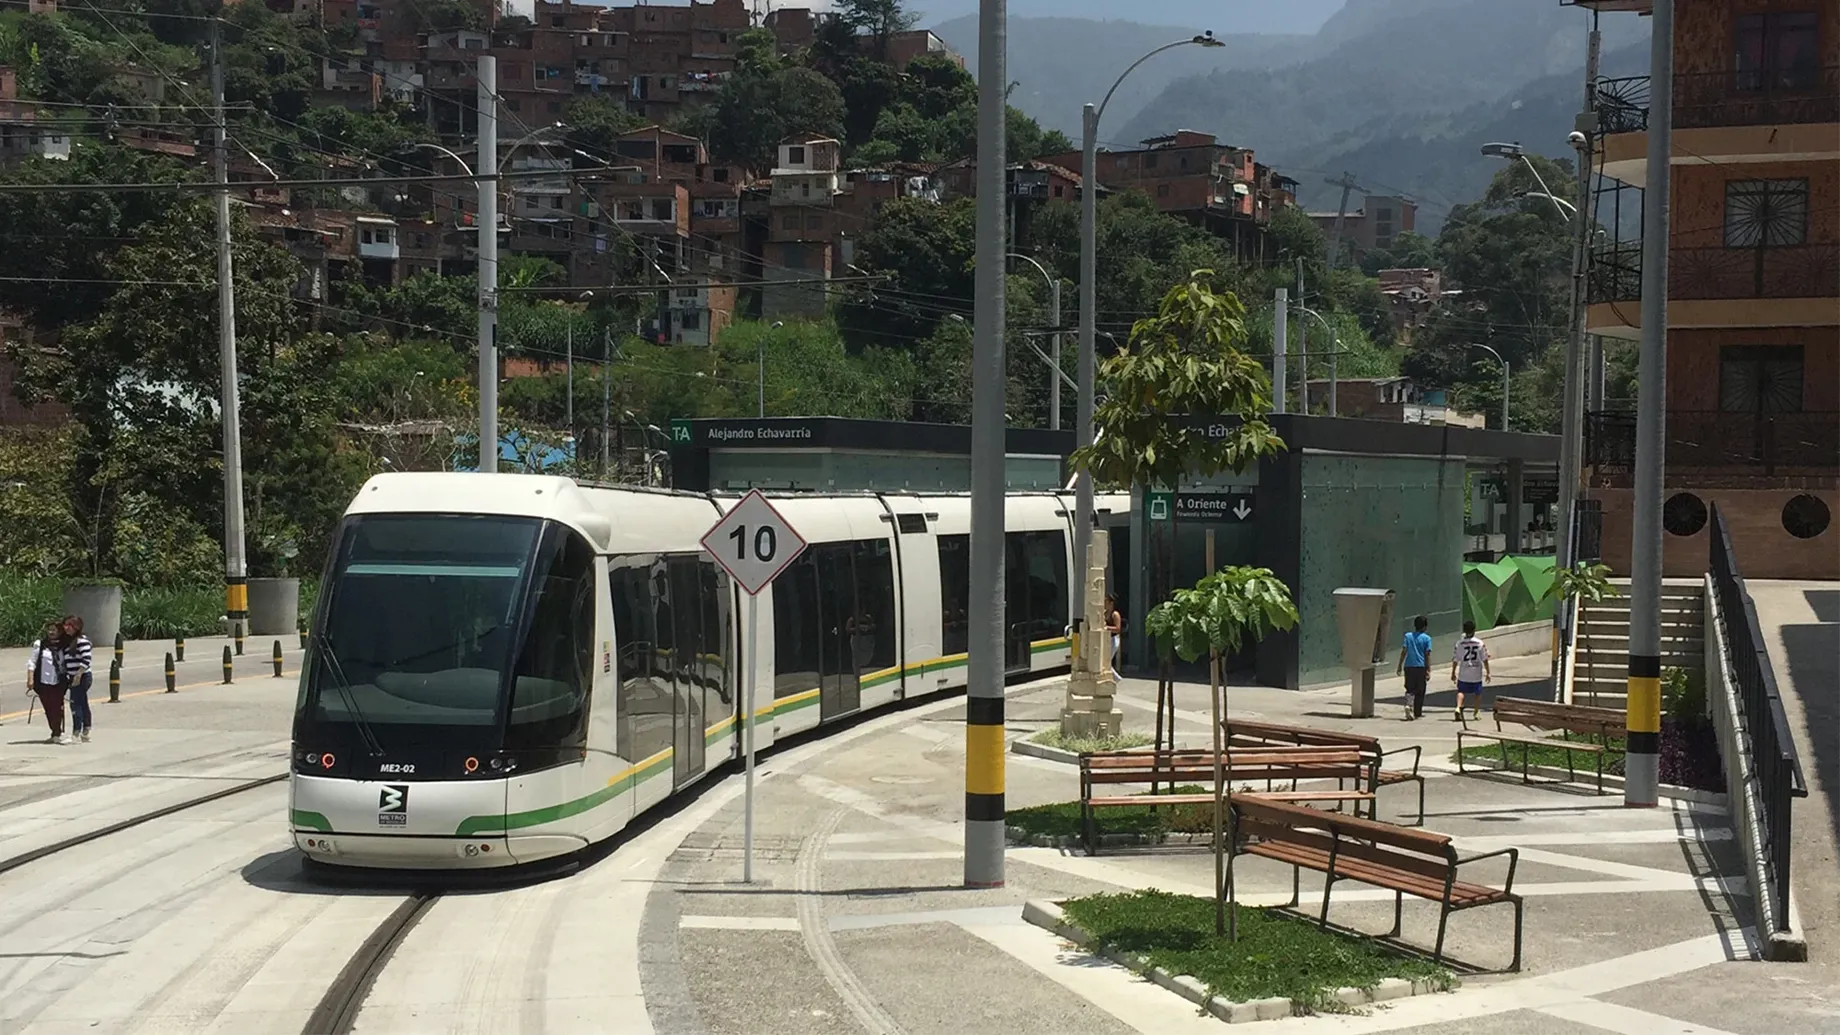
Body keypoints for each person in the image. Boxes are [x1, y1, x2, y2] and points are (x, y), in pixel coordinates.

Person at [26, 621, 67, 745]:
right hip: (43, 682)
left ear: (60, 631)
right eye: (49, 629)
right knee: (48, 708)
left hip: (59, 682)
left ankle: (57, 733)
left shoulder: (65, 645)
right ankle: (54, 730)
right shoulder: (40, 645)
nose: (51, 632)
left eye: (54, 630)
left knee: (57, 707)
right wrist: (30, 678)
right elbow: (32, 662)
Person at [61, 615, 94, 743]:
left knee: (75, 703)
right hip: (72, 676)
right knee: (82, 703)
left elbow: (86, 660)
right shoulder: (68, 642)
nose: (67, 628)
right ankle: (86, 731)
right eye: (65, 625)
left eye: (70, 625)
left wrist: (78, 675)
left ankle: (76, 732)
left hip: (82, 676)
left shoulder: (81, 641)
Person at [1450, 619, 1491, 721]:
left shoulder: (1459, 643)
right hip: (1476, 671)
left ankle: (1458, 707)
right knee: (1477, 692)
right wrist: (1488, 672)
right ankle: (1476, 711)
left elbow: (1455, 659)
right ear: (1474, 630)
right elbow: (1485, 658)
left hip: (1464, 671)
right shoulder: (1480, 643)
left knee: (1461, 691)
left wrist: (1453, 672)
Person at [1395, 615, 1432, 720]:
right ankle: (1417, 712)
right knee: (1420, 690)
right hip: (1420, 666)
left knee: (1409, 688)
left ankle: (1408, 705)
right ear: (1425, 627)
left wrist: (1399, 665)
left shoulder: (1408, 636)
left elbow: (1404, 651)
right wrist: (1428, 669)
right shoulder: (1427, 639)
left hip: (1409, 666)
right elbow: (1427, 654)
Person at [1103, 595, 1122, 672]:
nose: (1104, 604)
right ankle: (1116, 679)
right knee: (1104, 662)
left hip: (1113, 639)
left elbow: (1118, 629)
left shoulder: (1115, 614)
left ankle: (1116, 679)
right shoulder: (1104, 613)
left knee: (1106, 662)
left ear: (1111, 603)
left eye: (1106, 602)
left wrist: (1107, 628)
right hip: (1106, 639)